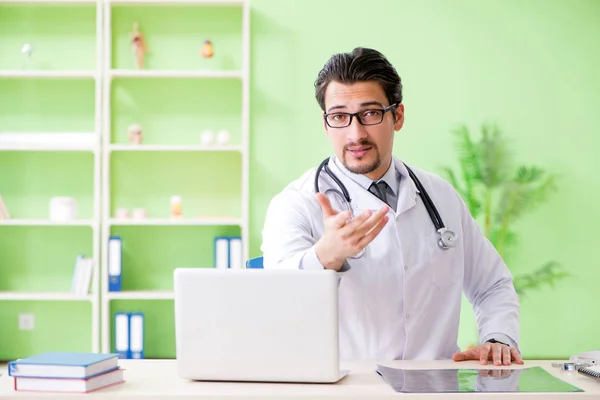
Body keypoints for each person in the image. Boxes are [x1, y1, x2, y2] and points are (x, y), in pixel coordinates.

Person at [260, 47, 523, 366]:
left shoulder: (439, 196)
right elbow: (276, 305)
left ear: (396, 116)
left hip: (434, 383)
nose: (355, 134)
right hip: (347, 386)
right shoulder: (296, 204)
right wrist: (325, 256)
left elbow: (492, 284)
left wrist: (498, 339)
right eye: (340, 117)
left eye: (370, 113)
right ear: (326, 124)